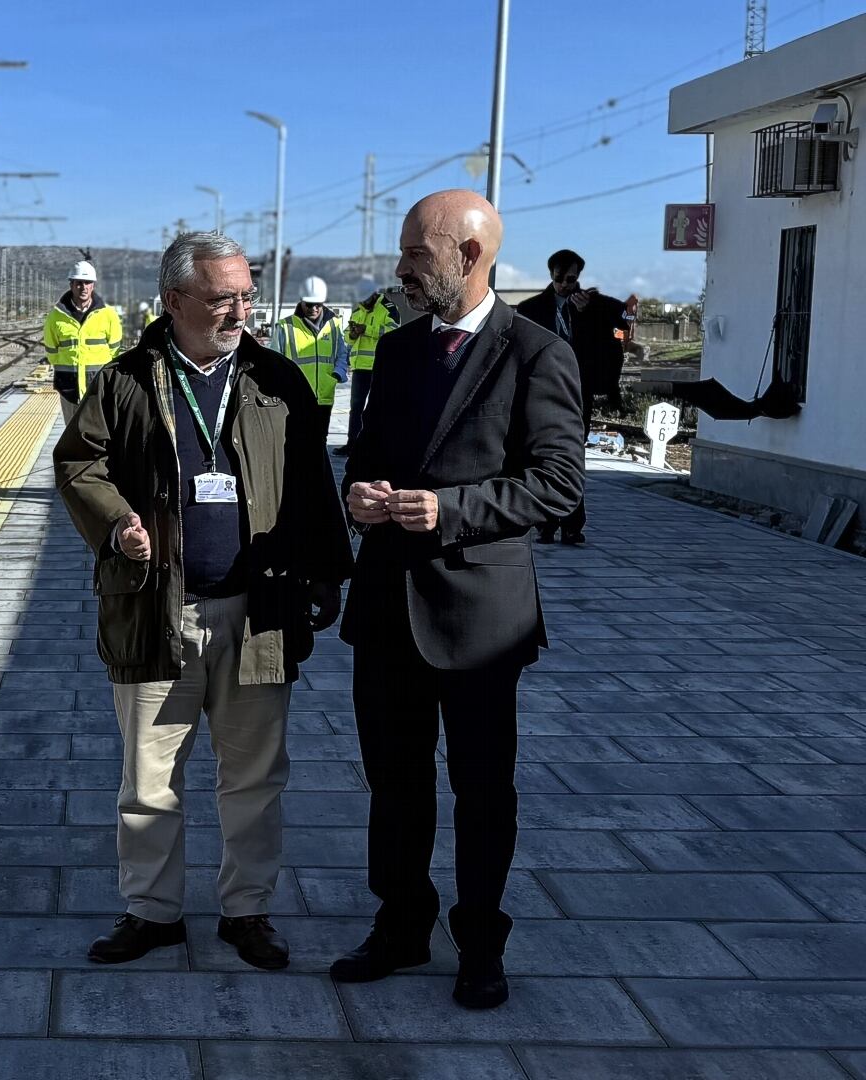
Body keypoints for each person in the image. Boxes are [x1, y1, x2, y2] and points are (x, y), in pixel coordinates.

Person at [55, 231, 352, 969]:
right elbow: (79, 464)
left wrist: (325, 574)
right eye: (225, 297)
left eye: (247, 295)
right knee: (149, 780)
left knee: (254, 777)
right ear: (176, 300)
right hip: (157, 609)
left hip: (259, 615)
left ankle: (247, 911)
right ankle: (152, 913)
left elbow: (313, 483)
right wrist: (115, 521)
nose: (241, 310)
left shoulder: (277, 379)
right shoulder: (126, 380)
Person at [336, 190, 584, 1009]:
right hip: (386, 607)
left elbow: (556, 485)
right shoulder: (399, 350)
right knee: (393, 782)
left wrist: (450, 511)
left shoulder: (536, 354)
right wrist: (360, 496)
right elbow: (363, 453)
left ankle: (481, 941)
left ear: (469, 256)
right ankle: (401, 926)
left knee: (482, 787)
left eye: (416, 255)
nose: (402, 269)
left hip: (480, 619)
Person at [514, 249, 634, 544]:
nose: (566, 286)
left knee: (570, 456)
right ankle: (545, 521)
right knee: (538, 455)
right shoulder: (531, 309)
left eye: (571, 279)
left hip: (576, 392)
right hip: (539, 390)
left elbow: (621, 328)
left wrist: (589, 315)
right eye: (560, 279)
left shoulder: (595, 306)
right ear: (551, 276)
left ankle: (572, 524)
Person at [42, 261, 126, 424]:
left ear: (93, 285)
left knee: (98, 434)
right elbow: (51, 351)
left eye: (87, 283)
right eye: (79, 283)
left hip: (98, 387)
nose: (83, 287)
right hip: (68, 387)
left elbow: (114, 350)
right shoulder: (56, 316)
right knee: (71, 436)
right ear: (71, 284)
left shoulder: (108, 315)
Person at [270, 276, 349, 441]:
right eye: (309, 304)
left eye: (318, 304)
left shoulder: (334, 324)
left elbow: (342, 352)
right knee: (296, 440)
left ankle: (319, 468)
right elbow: (275, 360)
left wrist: (337, 374)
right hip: (296, 396)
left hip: (324, 395)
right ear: (301, 302)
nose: (314, 308)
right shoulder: (286, 326)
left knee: (320, 440)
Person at [336, 285, 404, 456]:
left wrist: (367, 330)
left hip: (379, 366)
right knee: (356, 407)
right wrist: (352, 334)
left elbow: (394, 331)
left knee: (378, 407)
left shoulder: (387, 308)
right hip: (360, 367)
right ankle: (353, 443)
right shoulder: (358, 311)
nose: (363, 302)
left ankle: (377, 446)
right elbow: (347, 337)